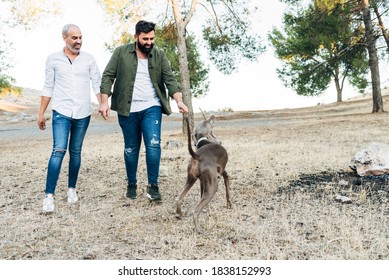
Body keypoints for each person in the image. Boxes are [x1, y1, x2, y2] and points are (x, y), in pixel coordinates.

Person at [99, 20, 189, 201]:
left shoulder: (159, 54)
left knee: (153, 144)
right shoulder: (121, 52)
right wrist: (103, 101)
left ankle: (153, 186)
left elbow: (169, 80)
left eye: (152, 38)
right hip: (128, 107)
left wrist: (178, 100)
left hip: (151, 106)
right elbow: (108, 76)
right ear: (136, 37)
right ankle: (131, 183)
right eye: (145, 38)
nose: (149, 42)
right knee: (131, 148)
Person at [38, 24, 102, 212]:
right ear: (64, 37)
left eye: (80, 37)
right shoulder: (53, 59)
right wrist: (41, 112)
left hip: (83, 113)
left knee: (76, 151)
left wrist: (102, 103)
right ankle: (49, 196)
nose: (79, 41)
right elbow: (48, 87)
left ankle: (71, 189)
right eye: (74, 38)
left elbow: (97, 83)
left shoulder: (89, 59)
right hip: (61, 112)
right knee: (58, 150)